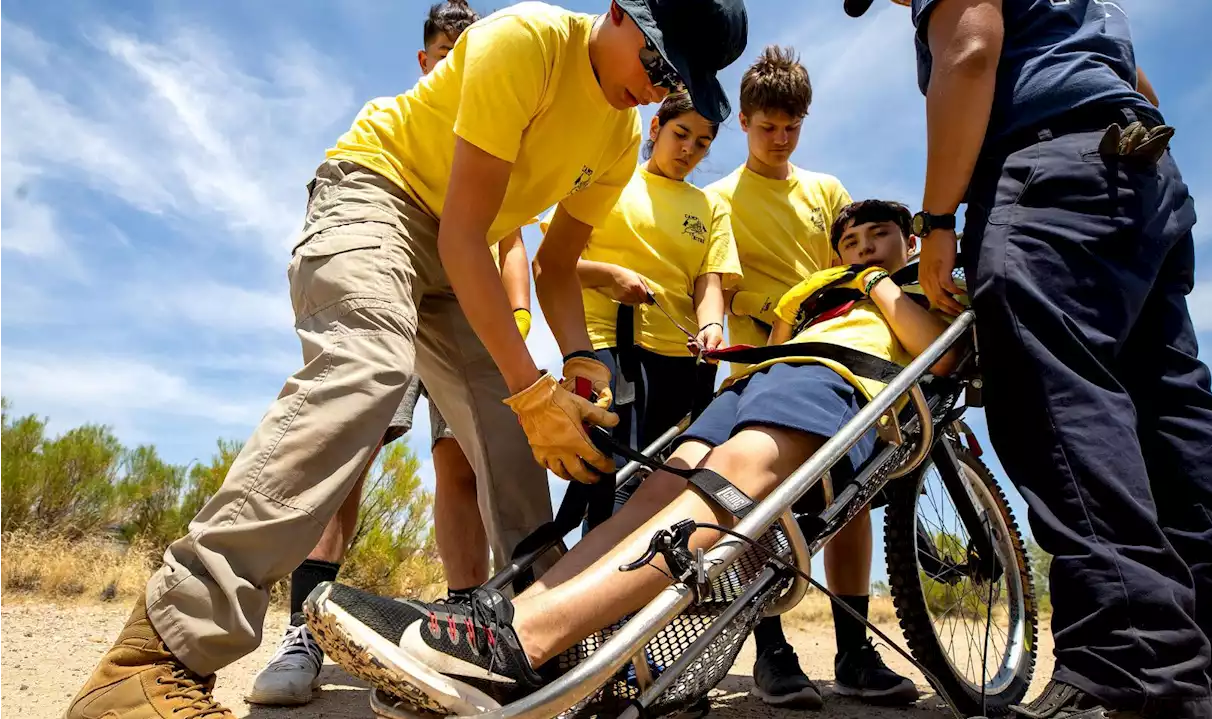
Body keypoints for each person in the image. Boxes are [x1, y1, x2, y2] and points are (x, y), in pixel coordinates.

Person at [64, 1, 747, 717]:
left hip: (458, 256)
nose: (656, 87)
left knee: (511, 441)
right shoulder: (530, 42)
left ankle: (541, 651)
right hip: (377, 193)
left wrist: (578, 357)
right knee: (369, 369)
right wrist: (531, 387)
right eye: (657, 62)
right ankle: (155, 657)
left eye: (677, 79)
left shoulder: (613, 135)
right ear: (617, 10)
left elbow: (555, 267)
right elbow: (461, 232)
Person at [306, 196, 958, 715]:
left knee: (730, 484)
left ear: (907, 242)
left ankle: (522, 640)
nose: (861, 248)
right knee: (653, 491)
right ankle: (520, 631)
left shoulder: (915, 285)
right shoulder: (809, 290)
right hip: (759, 381)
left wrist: (877, 282)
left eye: (877, 236)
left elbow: (943, 352)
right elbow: (771, 346)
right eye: (849, 242)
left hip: (846, 378)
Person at [842, 0, 1212, 717]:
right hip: (1141, 174)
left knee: (1057, 406)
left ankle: (1131, 672)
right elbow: (1141, 85)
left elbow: (973, 49)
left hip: (1047, 179)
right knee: (1177, 418)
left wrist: (939, 219)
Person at [245, 3, 542, 706]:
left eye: (472, 48)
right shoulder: (398, 122)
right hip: (394, 288)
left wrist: (517, 324)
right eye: (446, 48)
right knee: (352, 440)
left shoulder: (501, 140)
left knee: (465, 463)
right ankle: (306, 630)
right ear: (425, 58)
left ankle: (469, 623)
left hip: (465, 316)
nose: (459, 59)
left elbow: (510, 245)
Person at [703, 46, 914, 709]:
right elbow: (714, 281)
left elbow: (853, 271)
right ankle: (771, 651)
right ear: (743, 122)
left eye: (792, 127)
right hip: (760, 364)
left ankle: (854, 650)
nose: (780, 139)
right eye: (767, 127)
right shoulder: (720, 200)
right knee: (756, 510)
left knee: (851, 496)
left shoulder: (826, 193)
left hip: (840, 364)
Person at [554, 90, 740, 528]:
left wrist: (712, 325)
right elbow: (557, 266)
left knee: (656, 485)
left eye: (702, 143)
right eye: (681, 133)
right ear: (655, 128)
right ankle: (580, 584)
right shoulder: (610, 179)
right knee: (607, 477)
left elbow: (708, 281)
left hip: (680, 360)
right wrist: (611, 276)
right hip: (607, 346)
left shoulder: (711, 206)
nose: (689, 149)